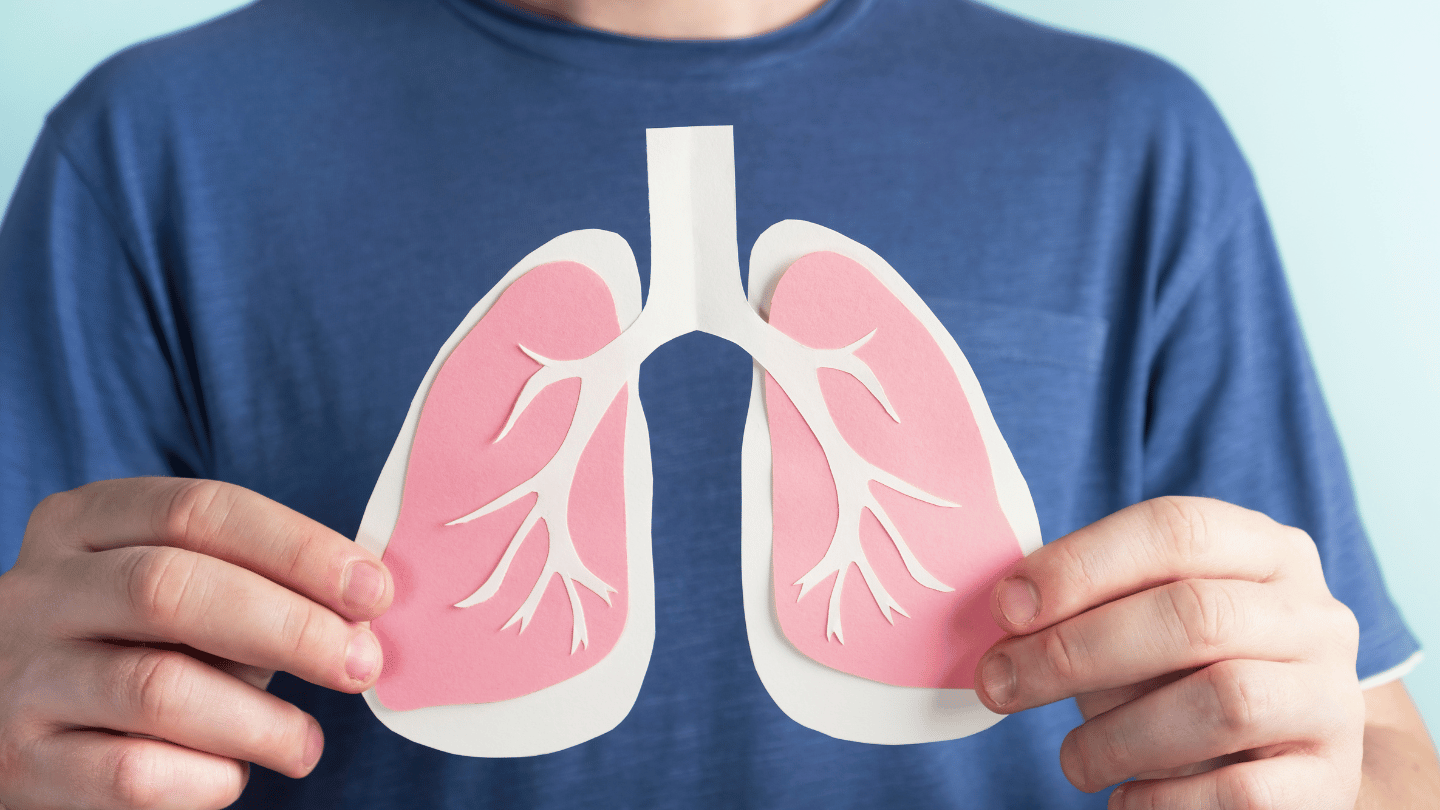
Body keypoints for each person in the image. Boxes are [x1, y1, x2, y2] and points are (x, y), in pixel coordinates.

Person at [1, 0, 1437, 807]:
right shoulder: (155, 151)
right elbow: (44, 719)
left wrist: (1331, 782)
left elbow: (1376, 755)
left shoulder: (1134, 146)